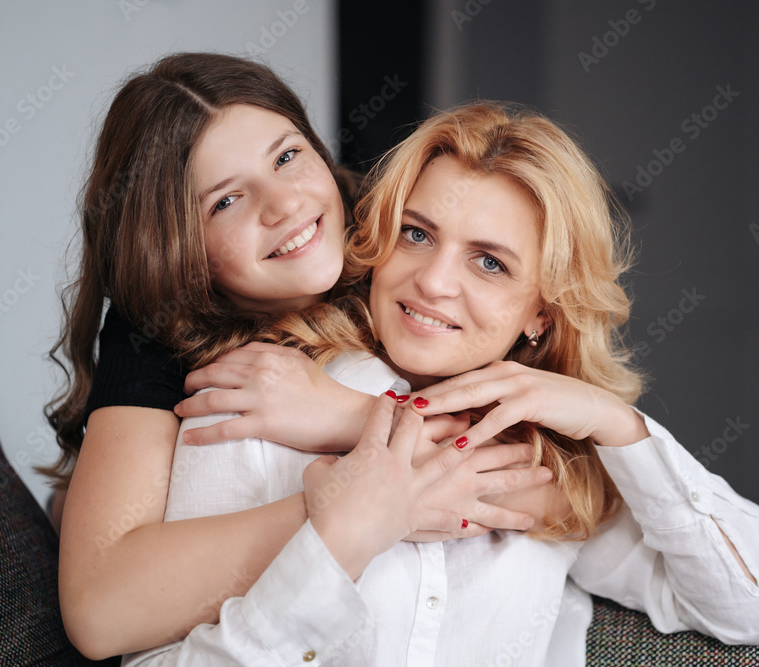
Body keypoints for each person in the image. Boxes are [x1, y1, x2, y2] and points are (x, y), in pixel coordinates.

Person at [125, 103, 759, 665]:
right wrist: (333, 545)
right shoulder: (261, 397)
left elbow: (754, 609)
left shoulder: (547, 471)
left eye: (489, 262)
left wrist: (617, 423)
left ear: (542, 312)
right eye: (417, 234)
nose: (434, 281)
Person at [45, 54, 547, 660]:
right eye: (225, 201)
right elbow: (100, 610)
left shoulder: (397, 236)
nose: (283, 203)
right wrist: (354, 507)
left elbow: (555, 487)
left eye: (286, 157)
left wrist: (345, 416)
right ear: (176, 249)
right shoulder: (157, 328)